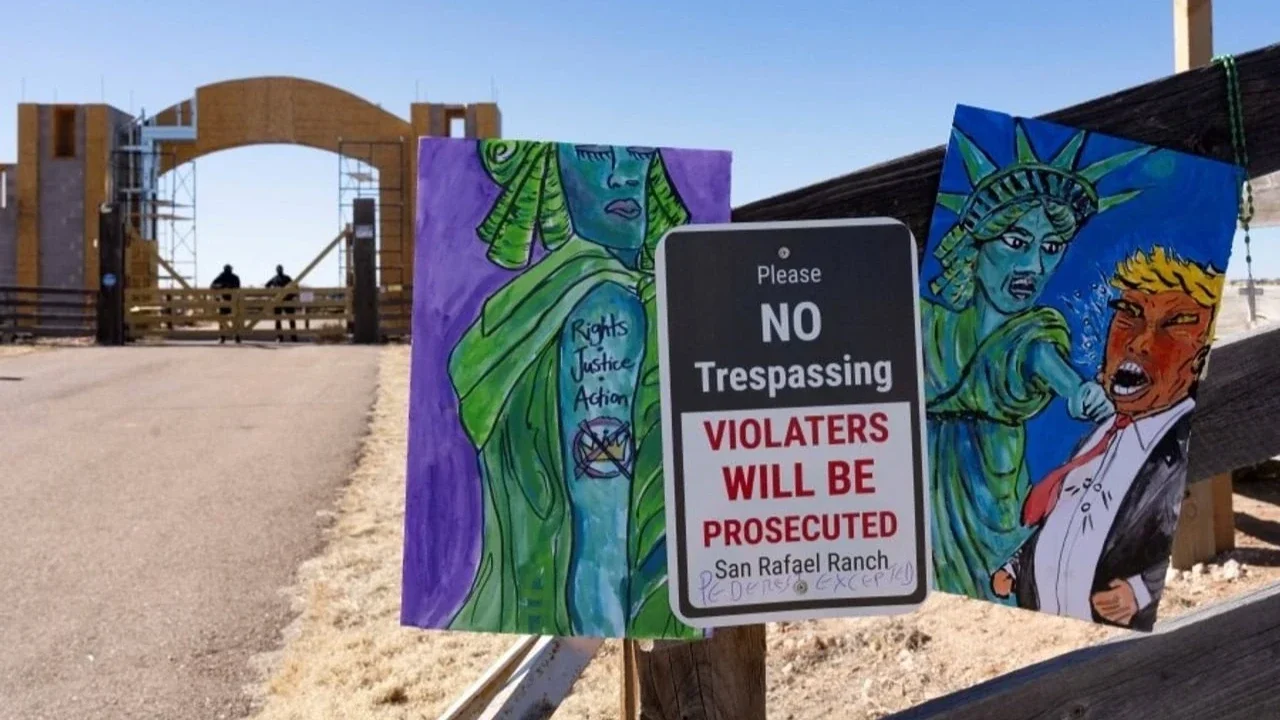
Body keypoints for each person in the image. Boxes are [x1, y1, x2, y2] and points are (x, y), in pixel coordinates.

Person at [444, 140, 699, 638]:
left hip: (523, 600)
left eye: (638, 153)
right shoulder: (609, 308)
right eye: (593, 154)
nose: (624, 174)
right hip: (591, 613)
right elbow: (600, 543)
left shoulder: (537, 297)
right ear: (550, 167)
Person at [923, 122, 1153, 603]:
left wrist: (1078, 391)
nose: (1034, 266)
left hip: (993, 500)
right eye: (1016, 242)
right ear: (977, 243)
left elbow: (1041, 360)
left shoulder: (1032, 332)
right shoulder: (932, 324)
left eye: (1051, 249)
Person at [992, 247, 1224, 631]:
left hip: (1106, 635)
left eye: (1173, 326)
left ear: (1199, 357)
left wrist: (1139, 592)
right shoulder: (1100, 435)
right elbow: (1066, 511)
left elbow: (1162, 535)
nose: (1140, 343)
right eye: (1129, 314)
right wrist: (1017, 566)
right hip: (1046, 625)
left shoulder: (1181, 444)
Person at [265, 264, 298, 342]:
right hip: (278, 301)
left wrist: (291, 295)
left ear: (282, 270)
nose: (279, 270)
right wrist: (272, 294)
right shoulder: (275, 278)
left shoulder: (287, 278)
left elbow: (295, 287)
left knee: (291, 319)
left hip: (287, 300)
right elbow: (267, 286)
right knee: (278, 319)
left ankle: (293, 337)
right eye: (278, 269)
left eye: (280, 269)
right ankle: (280, 337)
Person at [210, 264, 241, 344]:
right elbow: (212, 285)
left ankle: (235, 336)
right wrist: (222, 286)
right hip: (224, 301)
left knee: (233, 319)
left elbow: (237, 287)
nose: (227, 271)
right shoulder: (222, 277)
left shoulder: (233, 277)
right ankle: (224, 336)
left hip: (231, 301)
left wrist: (228, 286)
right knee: (224, 320)